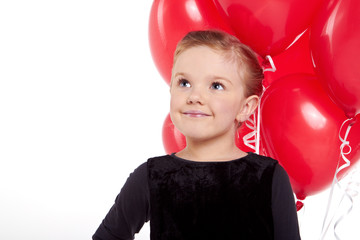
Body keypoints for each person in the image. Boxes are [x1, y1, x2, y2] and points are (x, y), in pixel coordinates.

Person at [93, 30, 301, 240]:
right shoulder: (151, 176)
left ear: (246, 107)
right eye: (184, 83)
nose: (195, 96)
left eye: (216, 86)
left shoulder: (269, 178)